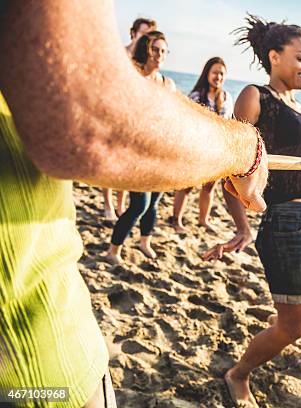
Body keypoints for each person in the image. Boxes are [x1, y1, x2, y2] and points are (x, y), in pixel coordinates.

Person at [0, 2, 267, 407]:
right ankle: (116, 246)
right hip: (30, 369)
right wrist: (244, 147)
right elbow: (86, 120)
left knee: (148, 210)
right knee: (139, 208)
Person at [207, 15, 301, 407]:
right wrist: (242, 227)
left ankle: (287, 316)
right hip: (286, 222)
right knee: (296, 326)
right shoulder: (256, 97)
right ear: (275, 56)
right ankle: (238, 374)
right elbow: (232, 167)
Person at [107, 31, 178, 263]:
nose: (160, 55)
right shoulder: (134, 78)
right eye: (156, 49)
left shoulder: (168, 84)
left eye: (164, 51)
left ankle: (144, 241)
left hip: (160, 153)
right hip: (135, 153)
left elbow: (173, 119)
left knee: (154, 203)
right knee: (140, 204)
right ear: (147, 50)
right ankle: (113, 251)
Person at [173, 57, 249, 242]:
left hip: (217, 153)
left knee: (209, 189)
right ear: (207, 73)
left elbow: (230, 124)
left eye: (222, 73)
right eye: (215, 72)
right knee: (186, 187)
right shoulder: (196, 96)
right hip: (195, 150)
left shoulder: (227, 97)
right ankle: (176, 220)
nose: (218, 76)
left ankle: (203, 219)